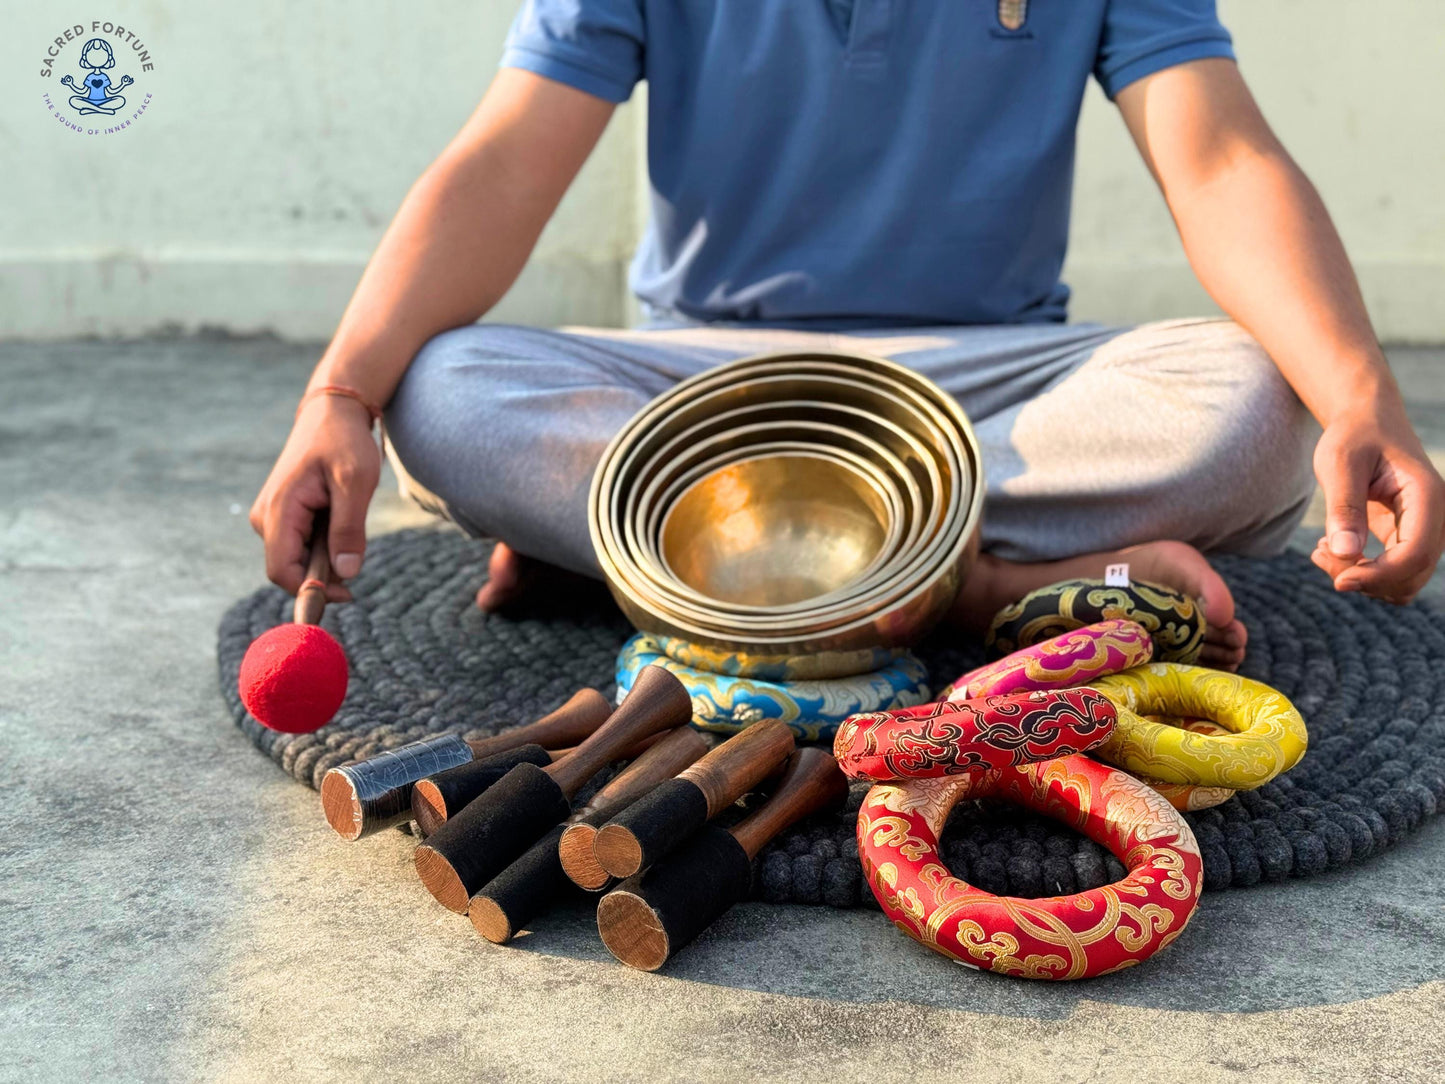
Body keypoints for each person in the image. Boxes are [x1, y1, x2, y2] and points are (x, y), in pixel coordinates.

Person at [251, 1, 1445, 672]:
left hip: (987, 394)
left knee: (1252, 397)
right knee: (445, 391)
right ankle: (975, 587)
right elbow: (504, 161)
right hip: (711, 392)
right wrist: (340, 394)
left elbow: (1218, 159)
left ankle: (682, 563)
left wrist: (1357, 399)